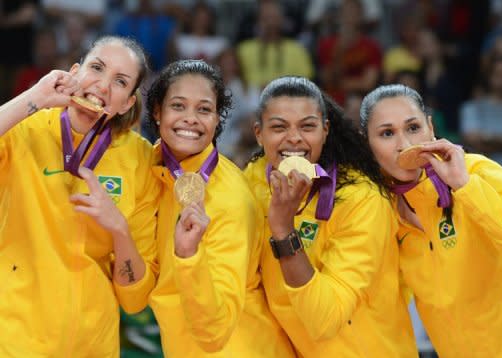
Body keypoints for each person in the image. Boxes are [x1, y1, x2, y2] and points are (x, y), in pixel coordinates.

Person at [0, 35, 160, 356]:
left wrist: (119, 229)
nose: (102, 86)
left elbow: (135, 299)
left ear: (128, 102)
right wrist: (35, 97)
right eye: (96, 68)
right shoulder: (24, 127)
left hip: (92, 345)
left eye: (120, 81)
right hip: (16, 338)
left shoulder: (141, 159)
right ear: (74, 71)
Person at [131, 59, 296, 357]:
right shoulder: (153, 167)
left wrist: (189, 256)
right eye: (178, 106)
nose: (190, 118)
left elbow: (215, 331)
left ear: (218, 119)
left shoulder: (229, 199)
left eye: (204, 109)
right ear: (157, 111)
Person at [244, 76, 417, 356]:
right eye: (278, 127)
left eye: (307, 126)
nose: (294, 138)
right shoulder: (252, 180)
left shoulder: (361, 199)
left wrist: (284, 231)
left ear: (325, 130)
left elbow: (325, 319)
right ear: (258, 133)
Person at [360, 84, 502, 357]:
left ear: (430, 127)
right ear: (366, 144)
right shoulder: (380, 209)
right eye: (386, 133)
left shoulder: (478, 171)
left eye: (413, 128)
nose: (404, 145)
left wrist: (465, 187)